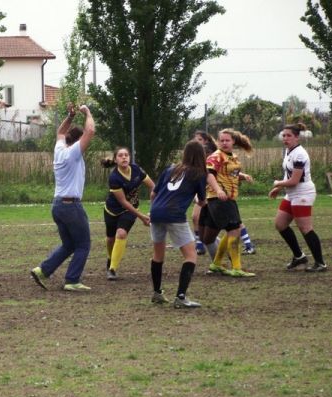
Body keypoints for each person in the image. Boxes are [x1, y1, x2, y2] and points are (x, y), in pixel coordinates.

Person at [30, 103, 96, 291]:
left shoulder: (59, 150)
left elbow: (60, 132)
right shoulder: (73, 153)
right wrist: (87, 112)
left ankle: (43, 270)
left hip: (57, 205)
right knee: (83, 244)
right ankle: (72, 280)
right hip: (71, 206)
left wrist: (70, 116)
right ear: (77, 142)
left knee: (69, 244)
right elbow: (90, 130)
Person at [149, 139, 208, 308]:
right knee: (191, 255)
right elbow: (202, 201)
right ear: (201, 156)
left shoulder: (170, 169)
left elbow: (154, 194)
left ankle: (157, 293)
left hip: (156, 213)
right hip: (174, 214)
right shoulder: (199, 173)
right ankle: (181, 297)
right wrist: (198, 200)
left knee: (158, 254)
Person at [269, 123, 327, 272]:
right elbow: (288, 175)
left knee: (305, 228)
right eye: (284, 135)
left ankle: (320, 263)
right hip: (292, 194)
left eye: (289, 136)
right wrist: (278, 188)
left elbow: (294, 180)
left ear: (296, 137)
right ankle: (299, 257)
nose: (285, 138)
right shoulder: (289, 151)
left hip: (303, 193)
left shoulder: (300, 154)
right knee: (280, 224)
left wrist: (277, 183)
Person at [198, 128, 256, 277]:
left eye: (227, 140)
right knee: (234, 230)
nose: (224, 143)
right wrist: (218, 190)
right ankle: (237, 267)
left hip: (224, 199)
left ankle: (216, 264)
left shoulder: (232, 157)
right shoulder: (216, 156)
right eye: (221, 140)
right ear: (217, 142)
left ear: (233, 142)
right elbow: (209, 175)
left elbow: (231, 174)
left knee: (216, 235)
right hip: (221, 199)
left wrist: (243, 176)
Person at [101, 147, 153, 281]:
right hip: (112, 210)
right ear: (115, 159)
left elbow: (153, 186)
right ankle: (110, 258)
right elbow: (123, 202)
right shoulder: (114, 177)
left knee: (121, 233)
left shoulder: (136, 169)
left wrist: (154, 207)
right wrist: (142, 217)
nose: (124, 157)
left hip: (130, 210)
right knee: (110, 238)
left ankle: (112, 268)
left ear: (129, 158)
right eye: (120, 155)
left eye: (126, 155)